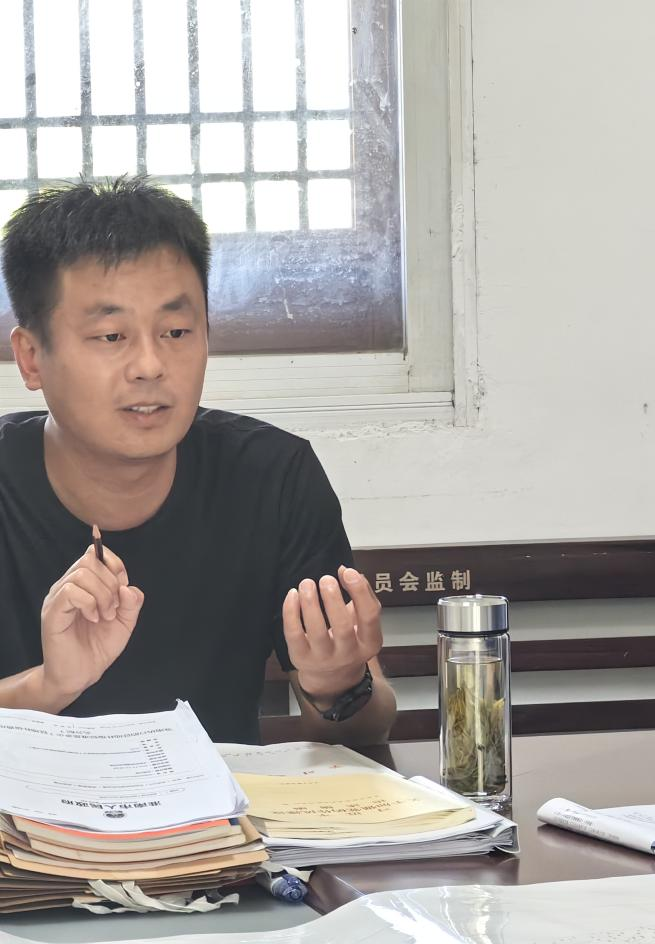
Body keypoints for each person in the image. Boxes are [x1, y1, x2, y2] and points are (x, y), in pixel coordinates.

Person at [0, 177, 396, 744]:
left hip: (220, 804)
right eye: (111, 336)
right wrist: (49, 686)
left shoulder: (271, 478)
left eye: (177, 331)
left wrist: (337, 684)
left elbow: (368, 729)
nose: (150, 365)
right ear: (31, 357)